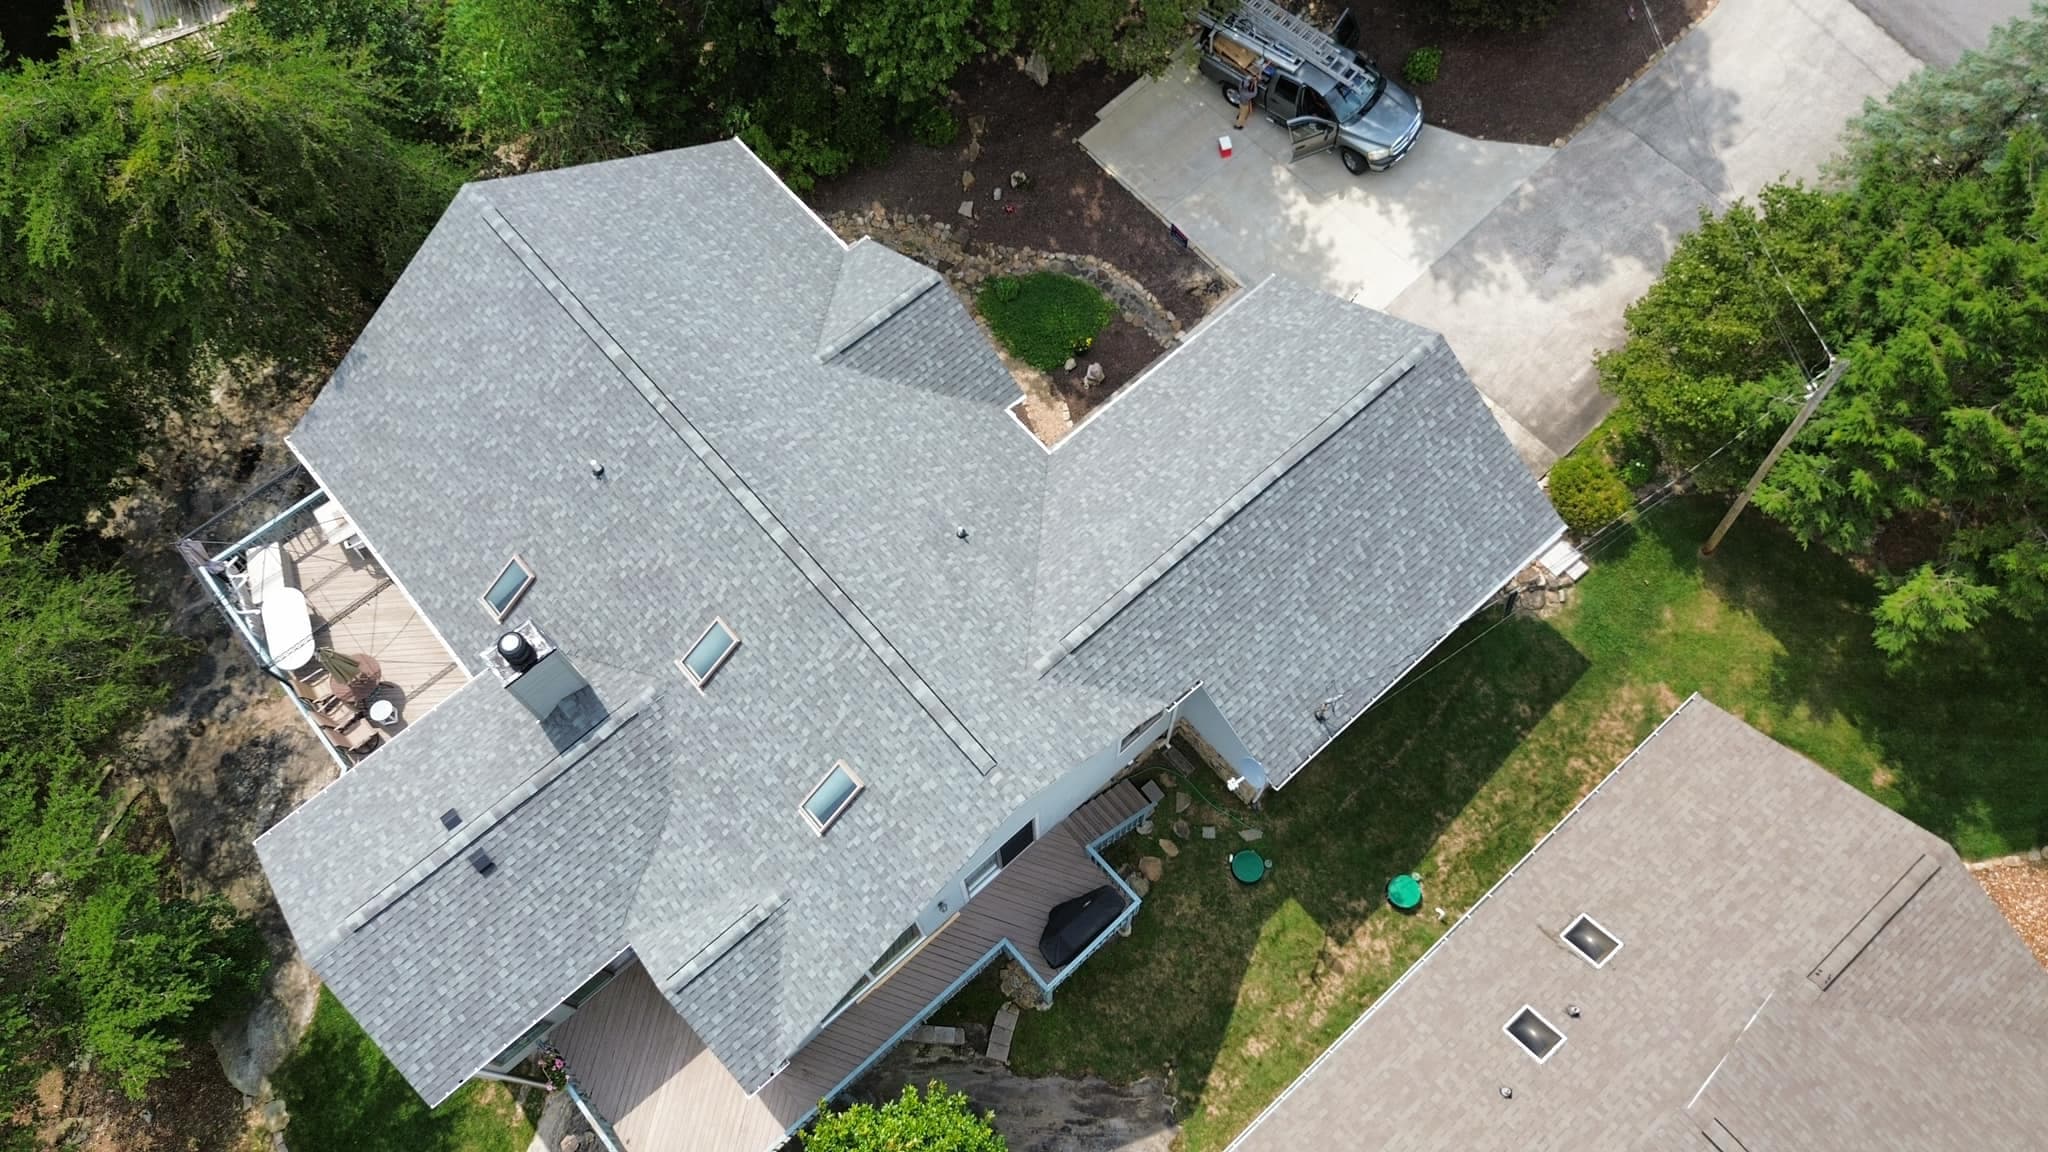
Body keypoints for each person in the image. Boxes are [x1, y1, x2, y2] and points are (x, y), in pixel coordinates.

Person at [1234, 59, 1265, 130]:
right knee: (1243, 115)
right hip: (1245, 104)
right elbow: (1255, 93)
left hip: (1241, 102)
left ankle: (1239, 115)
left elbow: (1244, 80)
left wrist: (1250, 79)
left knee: (1241, 111)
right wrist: (1255, 84)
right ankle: (1238, 125)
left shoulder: (1241, 87)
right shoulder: (1248, 94)